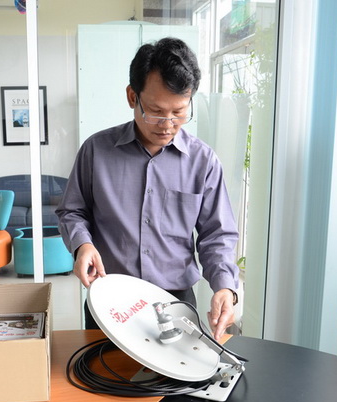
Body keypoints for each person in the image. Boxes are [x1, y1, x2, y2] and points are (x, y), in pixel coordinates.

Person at [56, 37, 239, 341]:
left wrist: (224, 287)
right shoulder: (96, 150)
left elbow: (217, 234)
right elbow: (72, 211)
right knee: (102, 371)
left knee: (176, 372)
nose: (167, 124)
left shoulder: (203, 160)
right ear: (132, 97)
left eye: (179, 112)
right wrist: (82, 245)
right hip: (109, 298)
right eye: (155, 111)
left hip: (176, 301)